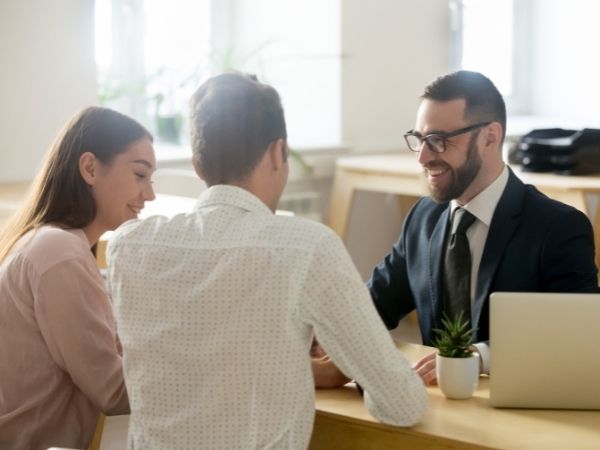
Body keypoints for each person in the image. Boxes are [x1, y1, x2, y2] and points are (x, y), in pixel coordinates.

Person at [107, 73, 427, 450]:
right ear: (278, 153)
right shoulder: (308, 248)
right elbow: (402, 404)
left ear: (197, 165)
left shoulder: (127, 246)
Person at [369, 70, 598, 385]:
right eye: (419, 139)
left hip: (516, 409)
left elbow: (580, 332)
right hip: (434, 407)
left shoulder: (557, 228)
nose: (423, 157)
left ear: (490, 136)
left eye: (439, 141)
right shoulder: (423, 218)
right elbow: (374, 304)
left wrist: (479, 358)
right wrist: (318, 340)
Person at [0, 107, 156, 450]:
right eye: (140, 175)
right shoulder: (59, 254)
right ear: (90, 168)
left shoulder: (50, 243)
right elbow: (114, 391)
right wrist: (210, 363)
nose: (150, 195)